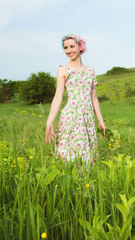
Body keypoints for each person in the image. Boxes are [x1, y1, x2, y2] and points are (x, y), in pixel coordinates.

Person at [45, 34, 106, 164]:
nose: (69, 50)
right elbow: (58, 97)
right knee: (69, 154)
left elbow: (94, 98)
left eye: (72, 46)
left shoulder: (90, 70)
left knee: (87, 155)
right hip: (71, 116)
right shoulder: (63, 70)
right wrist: (50, 120)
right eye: (66, 48)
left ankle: (85, 180)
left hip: (87, 116)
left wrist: (101, 121)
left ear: (80, 46)